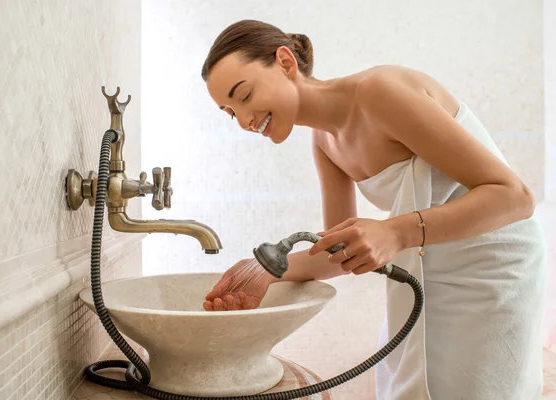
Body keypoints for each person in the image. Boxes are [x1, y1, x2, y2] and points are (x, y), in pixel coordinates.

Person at [199, 19, 547, 400]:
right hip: (432, 269)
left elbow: (515, 196)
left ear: (285, 62)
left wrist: (394, 232)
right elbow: (336, 255)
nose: (246, 121)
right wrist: (263, 272)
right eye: (231, 112)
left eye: (244, 95)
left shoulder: (379, 93)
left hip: (493, 269)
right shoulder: (325, 143)